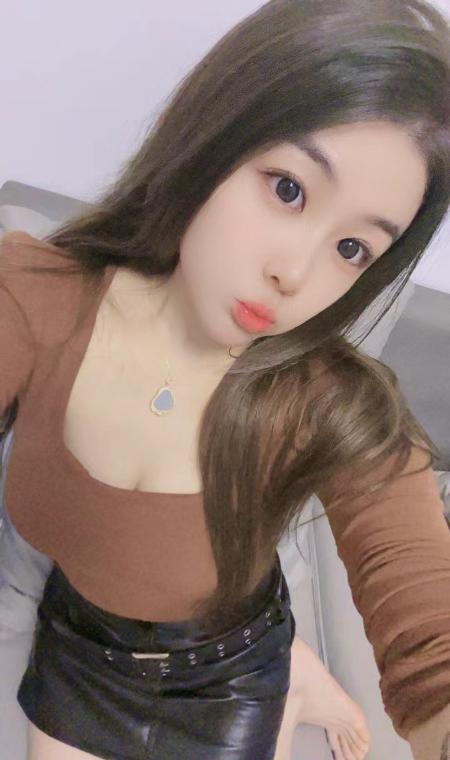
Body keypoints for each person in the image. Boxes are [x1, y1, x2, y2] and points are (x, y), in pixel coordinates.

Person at [0, 1, 449, 759]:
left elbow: (423, 607)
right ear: (216, 136)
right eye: (288, 189)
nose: (295, 273)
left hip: (229, 671)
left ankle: (290, 667)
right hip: (83, 646)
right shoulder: (38, 297)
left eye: (351, 248)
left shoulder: (328, 402)